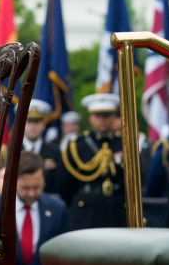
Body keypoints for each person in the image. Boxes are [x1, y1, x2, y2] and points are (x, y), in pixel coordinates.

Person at [53, 93, 126, 231]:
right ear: (90, 118)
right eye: (98, 116)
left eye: (107, 115)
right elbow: (63, 184)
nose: (102, 120)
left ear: (114, 117)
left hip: (116, 209)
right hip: (86, 211)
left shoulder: (124, 145)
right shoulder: (77, 146)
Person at [8, 150, 68, 265]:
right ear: (13, 181)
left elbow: (63, 257)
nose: (31, 193)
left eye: (36, 187)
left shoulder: (57, 209)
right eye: (25, 188)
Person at [19, 99, 60, 172]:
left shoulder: (55, 152)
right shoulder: (10, 151)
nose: (33, 126)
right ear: (22, 124)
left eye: (37, 121)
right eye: (29, 121)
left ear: (44, 125)